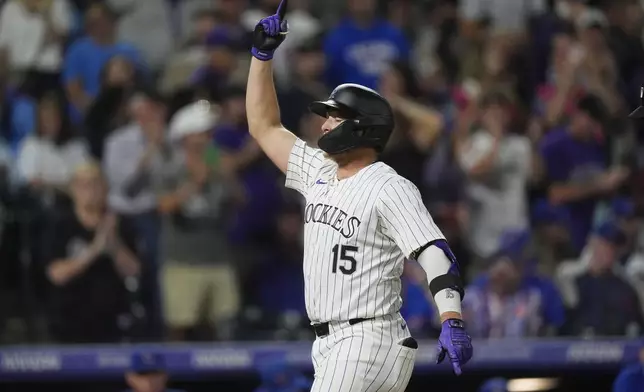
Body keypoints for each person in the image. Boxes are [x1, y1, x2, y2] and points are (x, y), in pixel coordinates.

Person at [245, 1, 473, 391]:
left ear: (362, 129)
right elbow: (264, 126)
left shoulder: (387, 184)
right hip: (334, 343)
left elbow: (433, 251)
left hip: (367, 338)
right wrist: (262, 57)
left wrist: (452, 318)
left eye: (336, 116)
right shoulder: (317, 170)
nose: (325, 122)